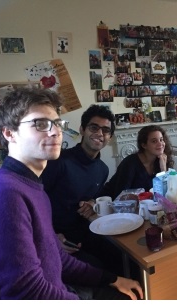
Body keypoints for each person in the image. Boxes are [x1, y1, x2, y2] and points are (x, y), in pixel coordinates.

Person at [0, 88, 143, 299]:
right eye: (40, 124)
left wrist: (111, 279)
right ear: (9, 133)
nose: (55, 132)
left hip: (62, 283)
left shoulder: (32, 185)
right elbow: (27, 292)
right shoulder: (7, 193)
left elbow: (56, 256)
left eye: (57, 124)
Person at [41, 104, 124, 276]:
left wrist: (92, 203)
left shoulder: (102, 169)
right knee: (100, 270)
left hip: (89, 232)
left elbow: (91, 199)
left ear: (110, 137)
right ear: (82, 129)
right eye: (94, 127)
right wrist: (53, 236)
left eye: (106, 130)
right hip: (59, 238)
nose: (100, 134)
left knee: (124, 257)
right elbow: (36, 201)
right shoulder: (59, 161)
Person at [99, 124, 174, 200]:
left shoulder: (161, 160)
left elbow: (167, 192)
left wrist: (163, 168)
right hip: (112, 204)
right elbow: (120, 195)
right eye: (154, 141)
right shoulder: (130, 163)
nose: (160, 144)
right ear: (144, 145)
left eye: (161, 139)